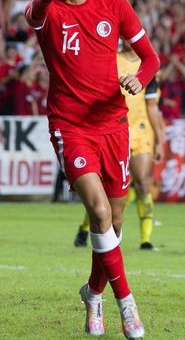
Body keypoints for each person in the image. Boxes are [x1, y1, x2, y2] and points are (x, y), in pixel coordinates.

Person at [24, 0, 159, 339]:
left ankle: (93, 292)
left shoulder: (114, 6)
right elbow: (33, 16)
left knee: (114, 224)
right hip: (70, 126)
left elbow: (151, 58)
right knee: (99, 213)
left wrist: (139, 78)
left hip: (114, 125)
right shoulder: (47, 9)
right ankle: (126, 305)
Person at [75, 40, 166, 251]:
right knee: (108, 190)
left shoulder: (149, 66)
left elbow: (152, 106)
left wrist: (160, 139)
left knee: (143, 182)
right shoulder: (111, 60)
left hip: (141, 132)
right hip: (113, 129)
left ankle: (146, 239)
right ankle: (85, 227)